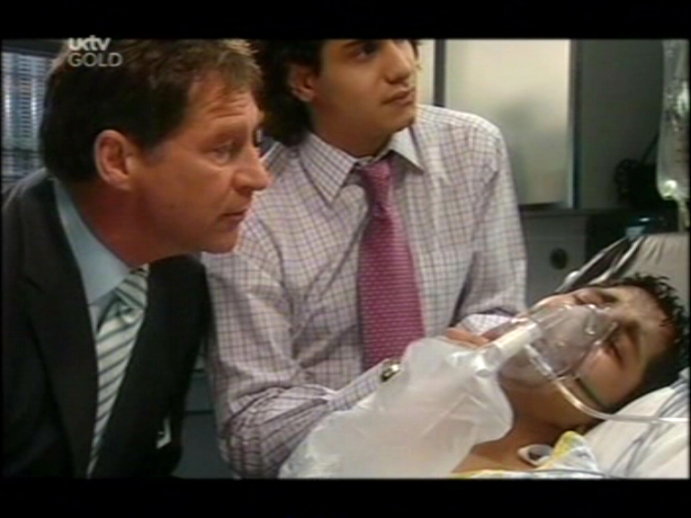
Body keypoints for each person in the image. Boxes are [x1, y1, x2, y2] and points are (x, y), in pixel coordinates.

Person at [203, 39, 527, 478]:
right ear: (305, 80)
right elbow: (253, 433)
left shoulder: (472, 149)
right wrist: (402, 378)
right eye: (365, 51)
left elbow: (501, 318)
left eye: (404, 41)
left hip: (467, 456)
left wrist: (461, 360)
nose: (402, 67)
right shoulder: (251, 208)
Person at [2, 39, 270, 477]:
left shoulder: (180, 283)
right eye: (223, 148)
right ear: (117, 160)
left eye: (255, 142)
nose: (259, 177)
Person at [281, 274, 689, 478]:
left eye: (615, 346)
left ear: (607, 411)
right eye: (585, 301)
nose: (582, 323)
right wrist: (403, 384)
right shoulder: (403, 406)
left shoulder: (565, 472)